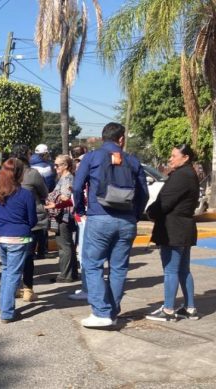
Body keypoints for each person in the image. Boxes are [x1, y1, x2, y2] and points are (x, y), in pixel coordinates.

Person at [73, 122, 149, 328]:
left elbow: (77, 187)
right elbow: (144, 193)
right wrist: (135, 214)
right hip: (127, 221)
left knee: (93, 263)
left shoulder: (92, 157)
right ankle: (112, 311)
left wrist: (80, 210)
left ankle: (101, 312)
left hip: (99, 217)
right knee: (119, 267)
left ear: (102, 138)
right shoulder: (132, 161)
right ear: (121, 139)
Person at [145, 145, 200, 321]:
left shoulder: (181, 176)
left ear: (185, 158)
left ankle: (168, 309)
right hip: (183, 227)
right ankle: (190, 308)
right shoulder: (189, 174)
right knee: (183, 270)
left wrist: (150, 213)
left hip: (173, 229)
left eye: (174, 156)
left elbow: (165, 202)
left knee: (171, 271)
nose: (170, 159)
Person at [0, 158, 37, 323]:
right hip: (18, 237)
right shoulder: (25, 194)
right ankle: (7, 312)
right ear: (19, 173)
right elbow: (32, 220)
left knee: (6, 271)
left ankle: (3, 306)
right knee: (13, 274)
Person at [11, 144, 48, 302]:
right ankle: (27, 289)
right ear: (26, 155)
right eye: (30, 153)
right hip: (32, 218)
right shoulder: (32, 173)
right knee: (28, 257)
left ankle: (14, 287)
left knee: (14, 257)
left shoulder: (7, 173)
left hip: (12, 218)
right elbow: (44, 193)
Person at [46, 155, 78, 283]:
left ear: (65, 165)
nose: (55, 167)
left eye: (57, 165)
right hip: (63, 216)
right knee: (67, 245)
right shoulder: (64, 178)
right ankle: (71, 273)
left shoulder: (67, 179)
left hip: (64, 216)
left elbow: (66, 198)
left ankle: (65, 275)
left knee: (64, 246)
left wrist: (54, 197)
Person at [69, 145, 89, 301]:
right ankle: (87, 287)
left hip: (85, 218)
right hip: (83, 217)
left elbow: (79, 191)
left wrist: (81, 212)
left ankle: (87, 289)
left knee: (84, 255)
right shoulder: (93, 166)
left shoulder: (84, 169)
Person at [30, 144, 55, 259]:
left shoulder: (29, 164)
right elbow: (49, 186)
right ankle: (42, 250)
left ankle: (31, 250)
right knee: (42, 226)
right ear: (44, 154)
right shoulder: (46, 167)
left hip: (29, 198)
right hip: (41, 199)